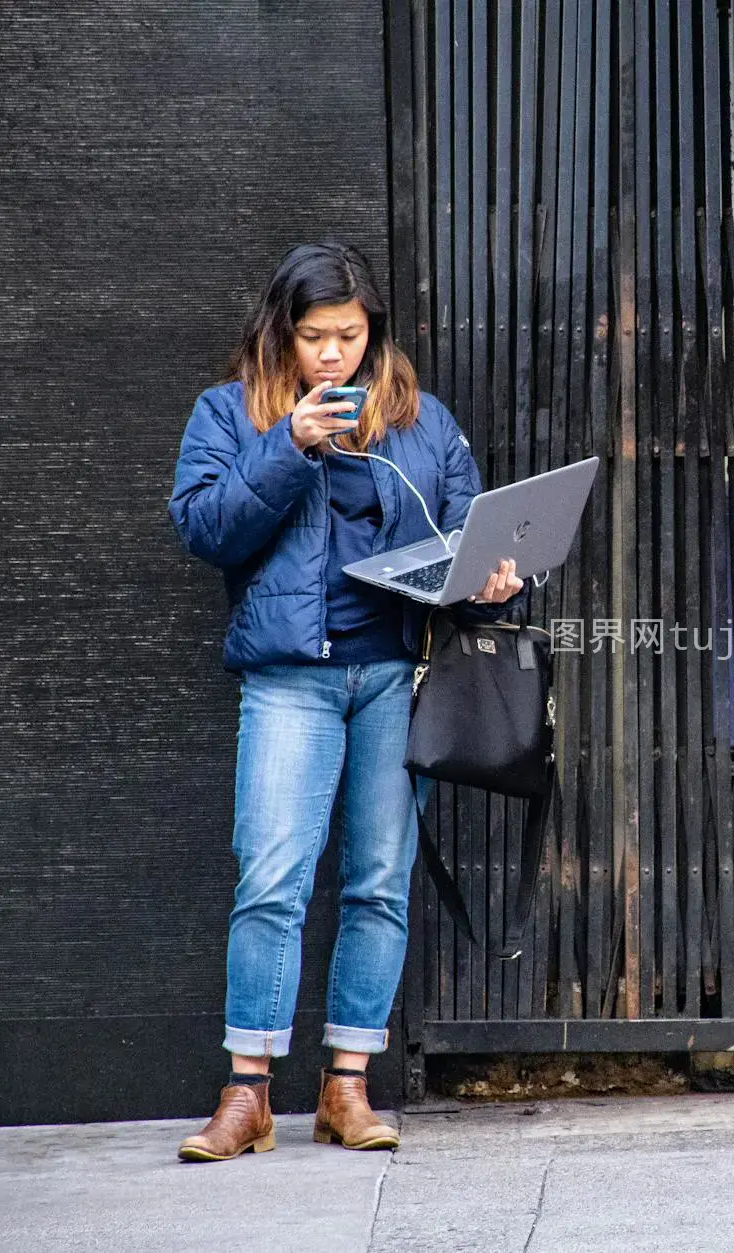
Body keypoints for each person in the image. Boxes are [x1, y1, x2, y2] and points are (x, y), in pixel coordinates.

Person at [168, 242, 523, 1161]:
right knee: (272, 877)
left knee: (377, 882)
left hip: (395, 677)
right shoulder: (231, 412)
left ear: (375, 336)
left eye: (350, 337)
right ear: (281, 332)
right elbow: (205, 528)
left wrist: (494, 581)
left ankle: (347, 1085)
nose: (333, 356)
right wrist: (289, 447)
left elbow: (467, 528)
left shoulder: (420, 419)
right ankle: (247, 1094)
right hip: (290, 677)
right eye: (315, 336)